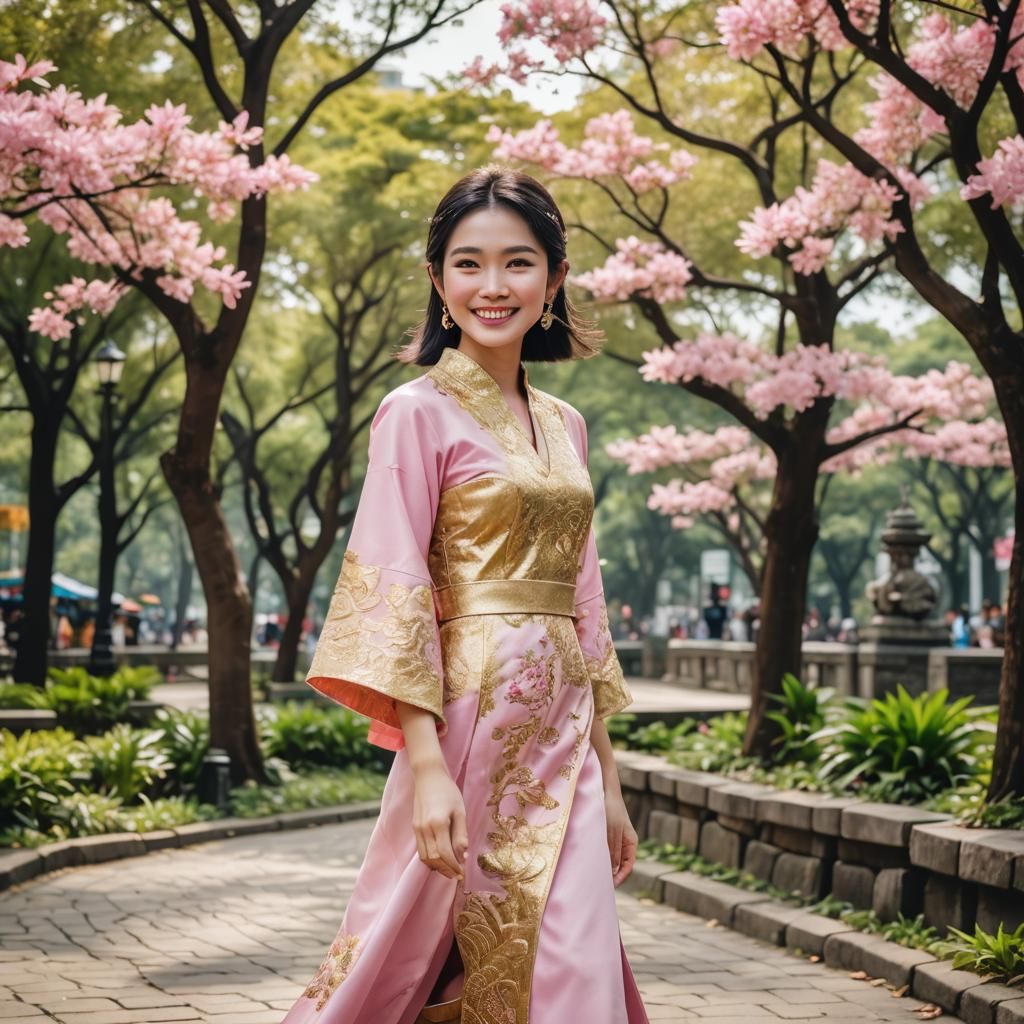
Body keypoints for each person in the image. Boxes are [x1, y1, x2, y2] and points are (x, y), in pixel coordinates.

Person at [282, 166, 648, 1024]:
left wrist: (612, 773)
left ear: (554, 281)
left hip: (563, 723)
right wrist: (427, 767)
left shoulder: (566, 424)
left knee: (573, 945)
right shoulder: (414, 412)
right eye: (468, 264)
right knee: (411, 938)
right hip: (466, 721)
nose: (494, 287)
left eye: (518, 263)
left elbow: (583, 603)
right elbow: (395, 587)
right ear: (438, 281)